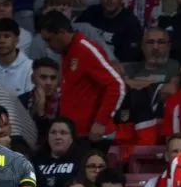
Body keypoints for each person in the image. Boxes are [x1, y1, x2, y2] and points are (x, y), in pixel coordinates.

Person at [38, 12, 126, 142]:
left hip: (94, 135)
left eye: (49, 40)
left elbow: (117, 84)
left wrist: (101, 122)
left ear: (62, 33)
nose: (47, 45)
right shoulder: (67, 53)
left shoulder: (85, 49)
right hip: (77, 134)